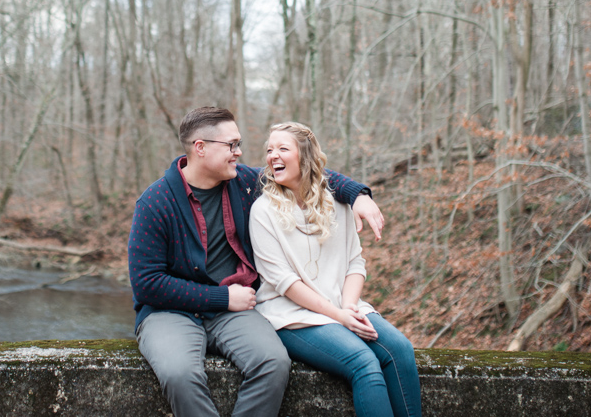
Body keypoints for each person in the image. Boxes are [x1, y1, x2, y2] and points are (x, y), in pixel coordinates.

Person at [127, 107, 384, 417]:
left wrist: (358, 195)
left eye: (239, 144)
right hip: (170, 312)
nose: (239, 153)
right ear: (200, 148)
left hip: (235, 312)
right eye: (231, 145)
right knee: (181, 374)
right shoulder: (155, 201)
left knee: (273, 363)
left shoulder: (245, 182)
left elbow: (308, 173)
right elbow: (147, 285)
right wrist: (221, 297)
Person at [250, 121, 421, 417]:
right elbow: (285, 283)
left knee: (401, 351)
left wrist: (349, 306)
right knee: (363, 363)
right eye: (269, 150)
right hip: (292, 314)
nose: (272, 156)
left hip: (344, 303)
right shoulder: (262, 211)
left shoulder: (338, 202)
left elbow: (355, 262)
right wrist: (339, 316)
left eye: (282, 149)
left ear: (305, 156)